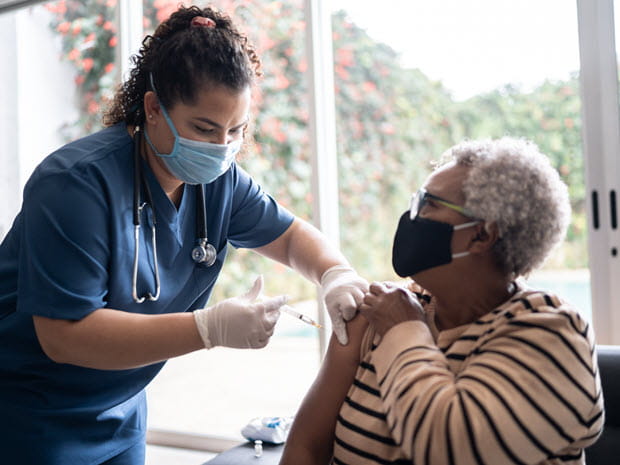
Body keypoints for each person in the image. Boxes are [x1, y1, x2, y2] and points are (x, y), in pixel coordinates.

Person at [0, 6, 368, 465]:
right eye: (204, 129)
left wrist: (336, 273)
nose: (221, 149)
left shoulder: (221, 184)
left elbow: (292, 238)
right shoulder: (75, 184)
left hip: (120, 413)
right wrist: (208, 328)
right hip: (28, 413)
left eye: (236, 130)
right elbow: (64, 336)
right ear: (154, 108)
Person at [280, 137, 604, 465]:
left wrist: (404, 330)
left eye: (429, 204)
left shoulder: (553, 334)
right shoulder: (382, 309)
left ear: (481, 235)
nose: (411, 216)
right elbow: (305, 448)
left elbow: (450, 448)